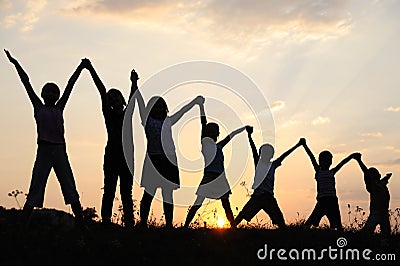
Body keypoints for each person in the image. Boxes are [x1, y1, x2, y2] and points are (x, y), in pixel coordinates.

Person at [4, 49, 85, 229]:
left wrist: (81, 67)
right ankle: (23, 225)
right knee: (36, 185)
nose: (50, 93)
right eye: (47, 91)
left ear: (57, 96)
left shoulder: (59, 108)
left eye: (53, 91)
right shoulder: (38, 107)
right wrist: (15, 63)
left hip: (60, 150)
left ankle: (81, 224)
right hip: (44, 150)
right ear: (42, 94)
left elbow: (70, 84)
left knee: (69, 184)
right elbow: (26, 83)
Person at [135, 86, 204, 228]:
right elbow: (140, 104)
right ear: (151, 109)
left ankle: (168, 225)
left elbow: (183, 111)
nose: (159, 109)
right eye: (156, 107)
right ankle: (142, 223)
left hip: (169, 160)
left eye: (162, 107)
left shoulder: (168, 121)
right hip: (153, 160)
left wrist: (195, 102)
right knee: (149, 193)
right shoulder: (146, 120)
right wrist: (135, 85)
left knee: (168, 194)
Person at [83, 59, 137, 228]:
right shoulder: (109, 114)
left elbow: (133, 98)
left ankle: (129, 224)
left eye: (116, 96)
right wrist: (90, 68)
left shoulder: (127, 114)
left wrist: (134, 82)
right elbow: (101, 89)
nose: (113, 99)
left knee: (126, 192)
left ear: (122, 100)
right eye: (110, 97)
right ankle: (106, 222)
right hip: (112, 155)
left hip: (127, 156)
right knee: (109, 189)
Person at [184, 101, 249, 228]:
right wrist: (201, 106)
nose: (214, 133)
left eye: (216, 132)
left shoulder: (219, 146)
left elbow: (231, 136)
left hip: (220, 178)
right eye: (211, 131)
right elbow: (203, 123)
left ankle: (233, 227)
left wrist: (244, 128)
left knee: (226, 203)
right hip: (208, 177)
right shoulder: (205, 143)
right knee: (198, 202)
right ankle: (185, 225)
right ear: (207, 133)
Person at [233, 133, 304, 228]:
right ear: (260, 154)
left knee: (279, 219)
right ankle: (232, 228)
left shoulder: (273, 165)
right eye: (263, 152)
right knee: (244, 213)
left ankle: (285, 233)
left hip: (268, 197)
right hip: (257, 196)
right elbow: (253, 149)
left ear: (271, 155)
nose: (265, 154)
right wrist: (249, 136)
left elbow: (285, 155)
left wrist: (297, 145)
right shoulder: (258, 162)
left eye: (268, 152)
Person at [301, 139, 358, 230]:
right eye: (324, 160)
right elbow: (311, 157)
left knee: (337, 224)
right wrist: (304, 145)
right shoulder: (318, 171)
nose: (326, 162)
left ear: (331, 162)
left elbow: (342, 163)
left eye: (328, 160)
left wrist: (351, 156)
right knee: (311, 220)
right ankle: (301, 233)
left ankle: (338, 237)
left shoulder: (332, 172)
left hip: (332, 200)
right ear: (320, 161)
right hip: (322, 201)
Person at [354, 153, 392, 238]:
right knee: (367, 232)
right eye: (372, 173)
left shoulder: (381, 184)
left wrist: (387, 177)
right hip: (376, 213)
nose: (374, 174)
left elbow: (384, 180)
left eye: (375, 172)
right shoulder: (372, 186)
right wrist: (359, 160)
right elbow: (365, 172)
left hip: (384, 213)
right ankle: (357, 240)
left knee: (386, 234)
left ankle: (383, 245)